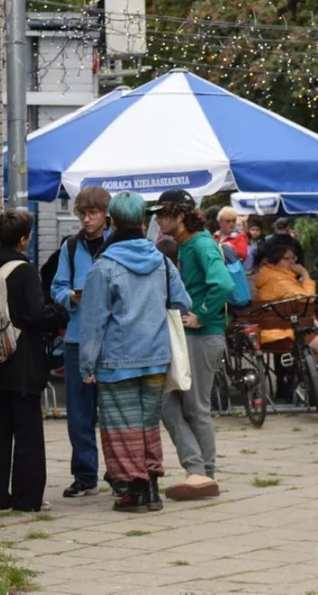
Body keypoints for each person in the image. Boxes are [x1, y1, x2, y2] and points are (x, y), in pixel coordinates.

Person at [80, 192, 192, 513]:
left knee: (120, 427)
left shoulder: (104, 267)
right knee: (147, 425)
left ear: (112, 221)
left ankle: (134, 491)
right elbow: (183, 302)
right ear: (144, 222)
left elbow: (93, 322)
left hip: (117, 360)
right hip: (156, 357)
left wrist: (86, 364)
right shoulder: (162, 261)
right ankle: (152, 489)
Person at [0, 210, 69, 511]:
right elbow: (34, 314)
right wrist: (57, 313)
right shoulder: (25, 269)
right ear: (23, 239)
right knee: (27, 432)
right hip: (21, 361)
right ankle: (27, 498)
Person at [151, 189, 234, 500]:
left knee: (196, 408)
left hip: (203, 335)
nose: (158, 219)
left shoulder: (200, 244)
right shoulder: (187, 245)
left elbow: (223, 284)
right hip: (193, 338)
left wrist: (201, 314)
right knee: (168, 402)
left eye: (163, 213)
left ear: (181, 216)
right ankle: (197, 468)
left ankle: (204, 474)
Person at [49, 185, 112, 499]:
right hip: (76, 338)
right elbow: (56, 285)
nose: (88, 219)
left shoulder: (116, 245)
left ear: (105, 214)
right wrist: (69, 296)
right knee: (79, 413)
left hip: (112, 339)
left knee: (113, 410)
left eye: (94, 213)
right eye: (84, 213)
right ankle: (85, 475)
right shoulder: (70, 247)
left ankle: (118, 473)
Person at [254, 240, 318, 362]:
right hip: (282, 332)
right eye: (286, 259)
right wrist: (305, 274)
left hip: (275, 328)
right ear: (275, 261)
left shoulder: (271, 274)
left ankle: (300, 372)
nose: (292, 262)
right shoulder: (278, 279)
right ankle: (302, 376)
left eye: (293, 258)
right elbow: (307, 299)